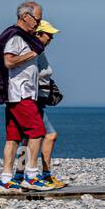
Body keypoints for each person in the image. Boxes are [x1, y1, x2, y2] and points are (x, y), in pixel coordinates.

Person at [0, 1, 49, 192]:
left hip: (19, 94)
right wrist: (32, 53)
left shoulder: (23, 36)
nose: (39, 24)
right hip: (20, 92)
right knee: (37, 131)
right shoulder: (16, 37)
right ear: (26, 16)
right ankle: (31, 175)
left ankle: (6, 179)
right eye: (37, 19)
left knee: (13, 137)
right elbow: (8, 61)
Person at [33, 20, 66, 188]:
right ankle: (42, 175)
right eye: (48, 35)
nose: (51, 38)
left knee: (27, 139)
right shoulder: (33, 52)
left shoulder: (39, 52)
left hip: (40, 100)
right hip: (34, 101)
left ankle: (24, 175)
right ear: (38, 34)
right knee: (48, 135)